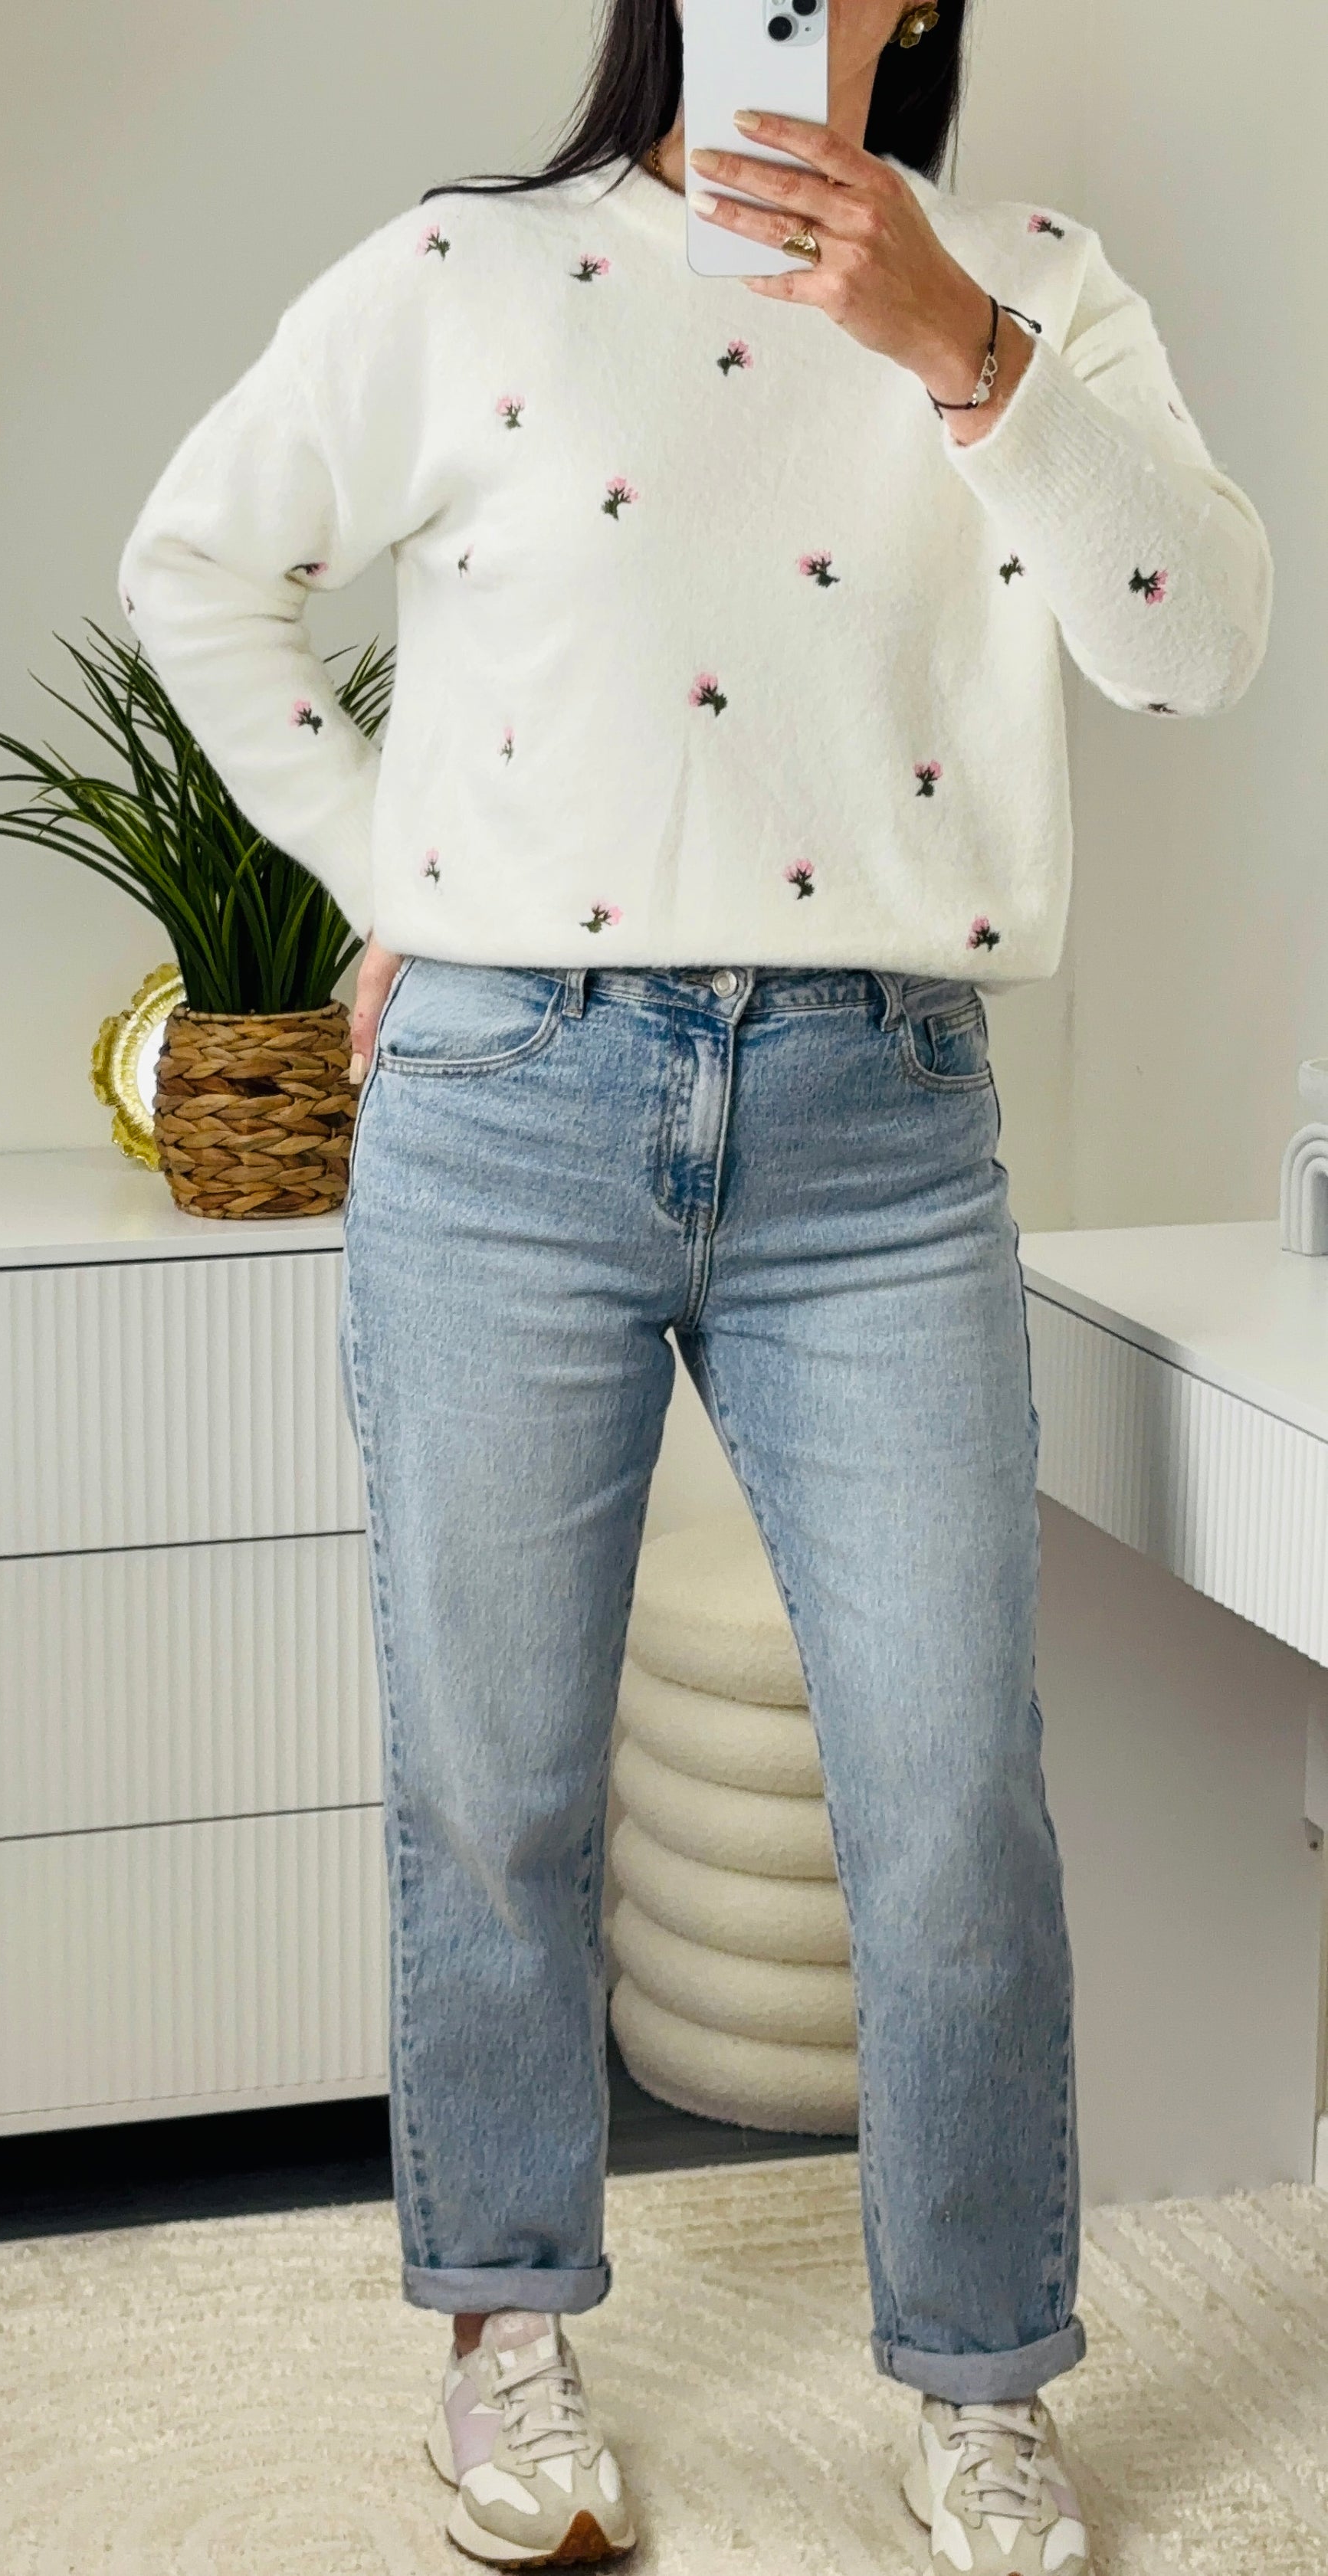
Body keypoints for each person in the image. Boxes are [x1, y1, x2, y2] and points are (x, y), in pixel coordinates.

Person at [120, 0, 1271, 2565]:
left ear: (922, 4)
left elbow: (1193, 641)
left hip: (882, 1115)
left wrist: (957, 347)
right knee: (496, 1775)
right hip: (505, 1104)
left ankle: (980, 2374)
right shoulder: (469, 268)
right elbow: (194, 561)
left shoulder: (1035, 280)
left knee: (947, 1792)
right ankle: (502, 2328)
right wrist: (391, 871)